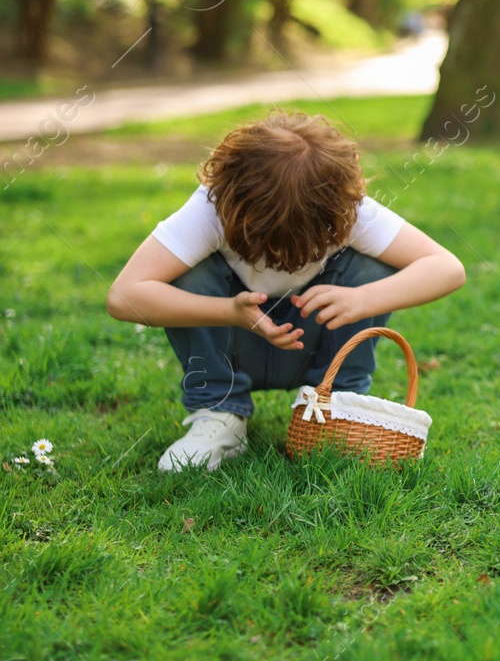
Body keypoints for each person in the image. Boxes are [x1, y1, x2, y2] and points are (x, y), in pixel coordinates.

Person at [107, 111, 466, 471]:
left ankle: (332, 406)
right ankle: (220, 414)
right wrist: (228, 312)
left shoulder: (347, 210)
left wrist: (362, 299)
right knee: (186, 273)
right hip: (234, 340)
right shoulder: (212, 207)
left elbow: (447, 268)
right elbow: (124, 296)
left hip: (314, 338)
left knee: (372, 270)